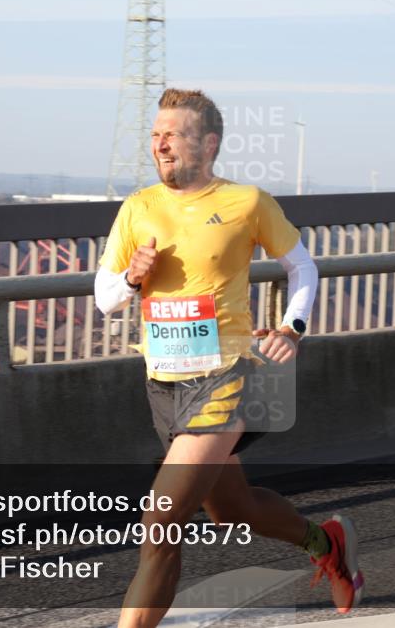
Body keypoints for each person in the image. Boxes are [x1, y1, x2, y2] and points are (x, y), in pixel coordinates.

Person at [95, 89, 363, 627]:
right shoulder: (138, 207)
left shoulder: (246, 202)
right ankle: (326, 542)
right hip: (164, 385)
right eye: (155, 135)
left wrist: (293, 326)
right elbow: (105, 298)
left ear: (208, 143)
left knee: (160, 523)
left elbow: (302, 268)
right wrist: (132, 277)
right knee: (232, 509)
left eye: (173, 134)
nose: (160, 143)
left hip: (223, 378)